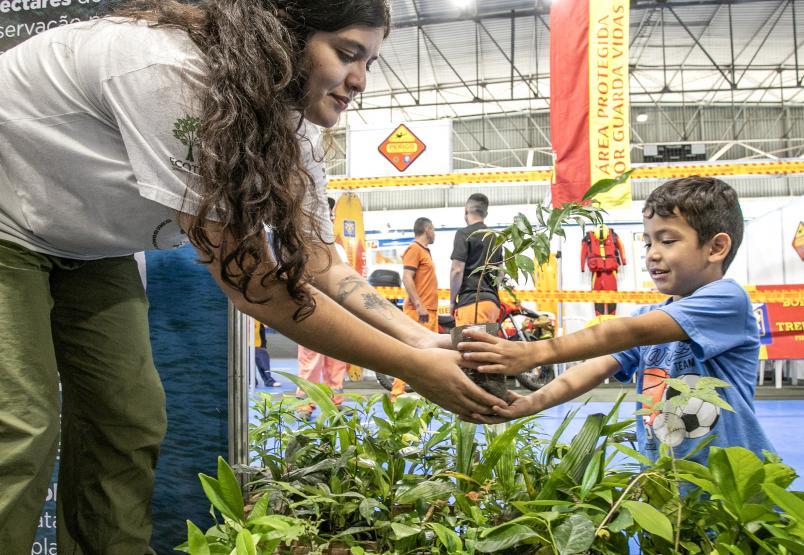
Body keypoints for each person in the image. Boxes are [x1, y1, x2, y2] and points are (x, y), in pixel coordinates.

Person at [0, 1, 505, 551]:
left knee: (127, 419)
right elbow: (258, 288)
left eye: (370, 62)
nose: (359, 79)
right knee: (19, 428)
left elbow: (319, 262)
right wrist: (415, 368)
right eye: (347, 53)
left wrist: (424, 338)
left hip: (85, 245)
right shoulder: (175, 74)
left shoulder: (294, 116)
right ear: (284, 36)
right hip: (7, 221)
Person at [459, 177, 775, 466]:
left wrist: (533, 353)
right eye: (649, 242)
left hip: (733, 491)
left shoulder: (726, 301)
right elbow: (594, 367)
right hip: (666, 487)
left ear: (716, 247)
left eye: (667, 241)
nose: (652, 254)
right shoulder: (648, 317)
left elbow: (627, 332)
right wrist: (531, 403)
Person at [297, 197, 350, 412]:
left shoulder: (338, 249)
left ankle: (335, 403)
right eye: (327, 214)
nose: (330, 218)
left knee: (336, 361)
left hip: (336, 314)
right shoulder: (300, 248)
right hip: (310, 312)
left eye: (331, 214)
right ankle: (304, 405)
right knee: (310, 361)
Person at [390, 217, 438, 397]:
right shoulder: (414, 249)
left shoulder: (425, 251)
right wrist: (419, 306)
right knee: (411, 355)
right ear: (426, 229)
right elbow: (407, 277)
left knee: (428, 356)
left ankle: (427, 396)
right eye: (433, 229)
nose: (434, 233)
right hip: (420, 312)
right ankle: (396, 396)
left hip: (429, 311)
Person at [450, 193, 504, 326]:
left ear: (465, 210)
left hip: (472, 303)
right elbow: (501, 273)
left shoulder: (463, 234)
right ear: (485, 214)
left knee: (469, 346)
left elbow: (457, 271)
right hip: (492, 304)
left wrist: (452, 301)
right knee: (486, 345)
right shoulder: (495, 237)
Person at [254, 319, 283, 387]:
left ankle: (269, 381)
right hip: (246, 343)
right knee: (247, 364)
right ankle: (250, 381)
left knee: (264, 363)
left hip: (259, 344)